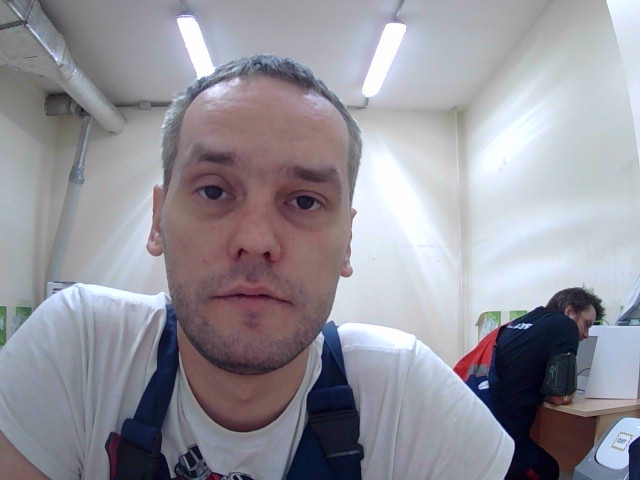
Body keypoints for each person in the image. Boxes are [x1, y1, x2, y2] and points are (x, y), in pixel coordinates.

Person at [0, 54, 514, 479]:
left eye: (305, 201)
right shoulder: (81, 351)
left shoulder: (405, 396)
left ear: (348, 242)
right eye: (213, 190)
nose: (255, 241)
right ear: (157, 220)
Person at [456, 287, 604, 480]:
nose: (586, 334)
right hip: (499, 437)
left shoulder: (518, 323)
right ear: (570, 312)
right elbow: (560, 396)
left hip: (472, 424)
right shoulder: (564, 324)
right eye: (587, 324)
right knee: (548, 470)